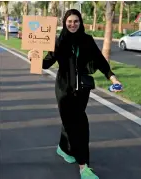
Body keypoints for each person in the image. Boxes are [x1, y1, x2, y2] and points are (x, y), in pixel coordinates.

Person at [28, 9, 122, 179]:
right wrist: (33, 57)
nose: (72, 24)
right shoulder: (59, 41)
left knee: (70, 123)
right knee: (79, 127)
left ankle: (63, 148)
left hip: (82, 91)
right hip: (64, 90)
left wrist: (114, 79)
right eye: (69, 21)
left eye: (76, 21)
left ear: (80, 23)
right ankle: (83, 166)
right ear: (65, 22)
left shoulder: (87, 40)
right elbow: (46, 64)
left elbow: (101, 61)